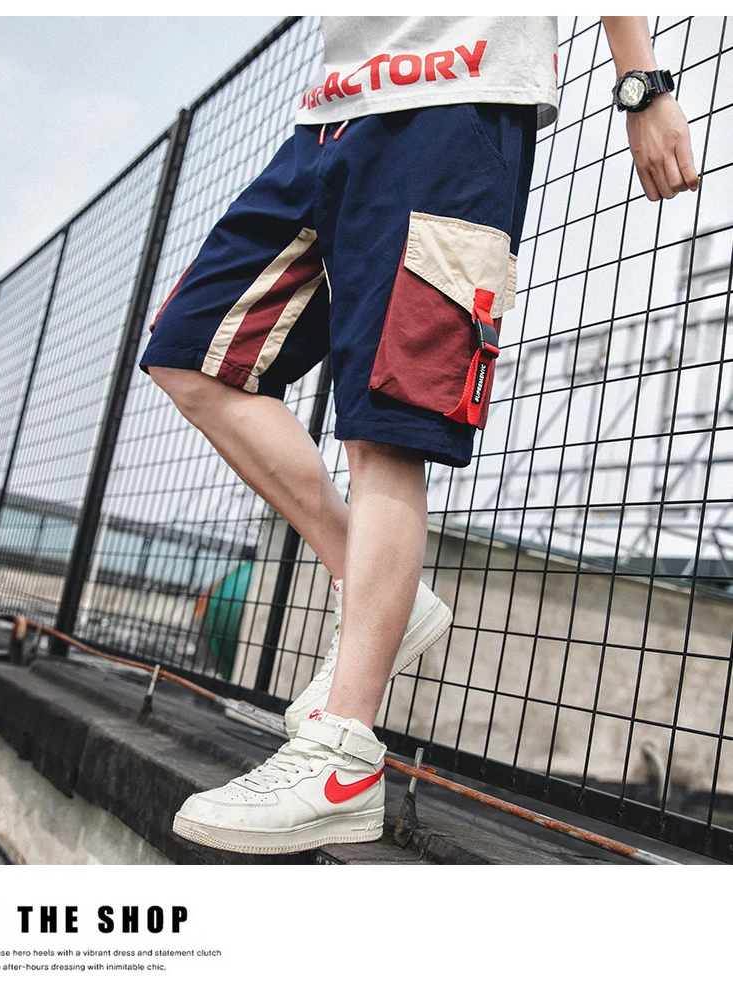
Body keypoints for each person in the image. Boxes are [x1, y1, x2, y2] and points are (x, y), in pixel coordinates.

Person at [139, 16, 699, 855]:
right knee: (188, 352)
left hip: (457, 102)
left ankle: (343, 757)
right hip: (331, 112)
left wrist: (642, 86)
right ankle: (378, 592)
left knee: (385, 427)